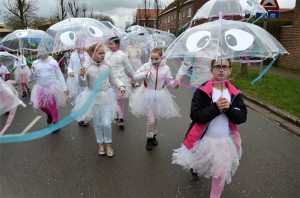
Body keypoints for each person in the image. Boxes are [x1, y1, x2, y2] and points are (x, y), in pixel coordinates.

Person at [172, 58, 247, 198]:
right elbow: (195, 115)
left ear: (230, 70)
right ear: (211, 70)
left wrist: (229, 108)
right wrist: (215, 107)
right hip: (203, 139)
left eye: (225, 67)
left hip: (224, 141)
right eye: (217, 66)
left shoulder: (234, 93)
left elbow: (242, 116)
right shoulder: (203, 90)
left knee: (220, 172)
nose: (221, 70)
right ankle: (195, 169)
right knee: (198, 164)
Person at [74, 43, 125, 157]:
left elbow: (113, 79)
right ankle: (100, 143)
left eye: (103, 53)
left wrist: (121, 86)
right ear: (92, 53)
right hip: (93, 98)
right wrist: (81, 75)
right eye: (100, 53)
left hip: (107, 96)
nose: (103, 55)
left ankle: (108, 143)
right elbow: (83, 84)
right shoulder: (86, 66)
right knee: (97, 123)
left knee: (107, 123)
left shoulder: (107, 65)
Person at [129, 47, 181, 151]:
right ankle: (149, 138)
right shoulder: (146, 66)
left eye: (156, 58)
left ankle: (154, 135)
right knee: (151, 119)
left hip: (161, 94)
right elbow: (135, 76)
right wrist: (145, 74)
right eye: (151, 58)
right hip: (147, 93)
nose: (153, 61)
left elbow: (169, 81)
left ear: (161, 57)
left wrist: (174, 84)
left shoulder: (166, 68)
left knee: (156, 118)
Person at [29, 47, 68, 133]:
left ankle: (55, 123)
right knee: (40, 105)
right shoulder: (35, 63)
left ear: (48, 52)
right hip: (40, 88)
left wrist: (65, 87)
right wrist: (32, 72)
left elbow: (60, 75)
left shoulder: (53, 62)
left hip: (52, 87)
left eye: (45, 52)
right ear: (39, 53)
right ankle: (49, 113)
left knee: (52, 105)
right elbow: (31, 77)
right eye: (41, 52)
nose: (43, 54)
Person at [105, 36, 135, 128]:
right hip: (110, 80)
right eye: (109, 44)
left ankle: (121, 117)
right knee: (112, 99)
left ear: (117, 44)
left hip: (121, 80)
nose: (110, 45)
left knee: (120, 100)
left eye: (112, 44)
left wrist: (134, 75)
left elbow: (128, 66)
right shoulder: (107, 54)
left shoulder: (122, 55)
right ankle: (115, 114)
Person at [67, 47, 90, 127]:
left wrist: (85, 64)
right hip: (75, 80)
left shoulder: (87, 54)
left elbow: (90, 66)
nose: (79, 46)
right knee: (78, 99)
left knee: (84, 99)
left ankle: (84, 118)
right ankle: (80, 118)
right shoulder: (73, 55)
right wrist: (70, 72)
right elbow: (69, 66)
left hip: (84, 80)